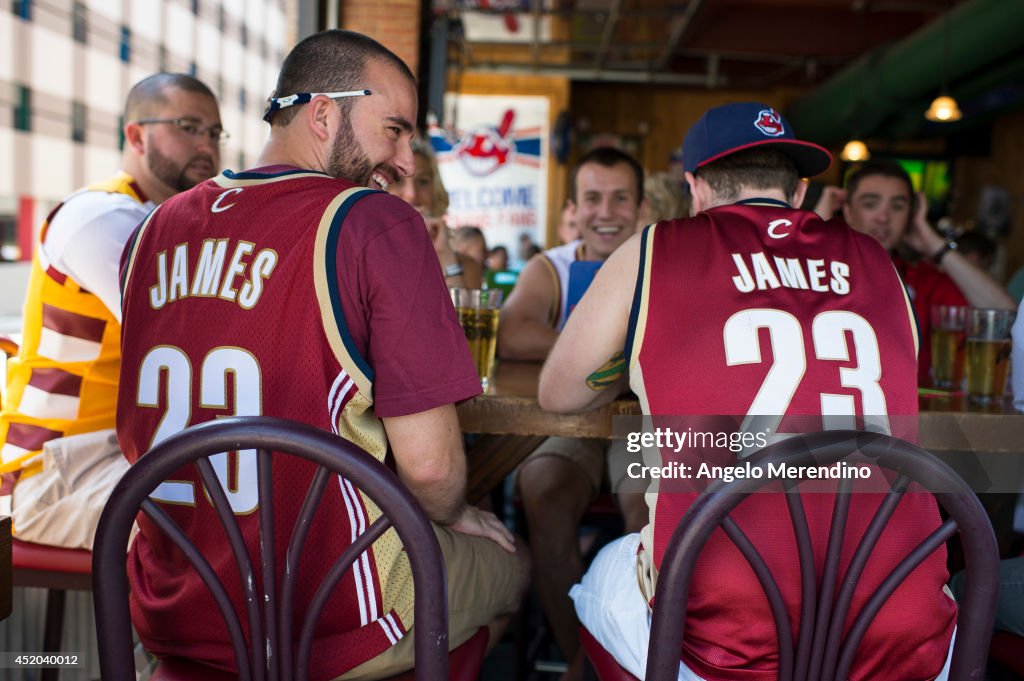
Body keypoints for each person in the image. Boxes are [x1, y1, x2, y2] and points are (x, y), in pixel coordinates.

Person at [116, 30, 527, 680]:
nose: (406, 162)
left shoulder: (151, 230)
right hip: (329, 613)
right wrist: (460, 511)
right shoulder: (373, 221)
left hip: (171, 600)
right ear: (324, 111)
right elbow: (431, 469)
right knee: (511, 563)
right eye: (394, 131)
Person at [540, 102, 956, 680]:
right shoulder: (880, 262)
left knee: (598, 579)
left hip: (722, 638)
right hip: (900, 627)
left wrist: (636, 359)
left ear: (695, 188)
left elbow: (558, 394)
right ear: (802, 191)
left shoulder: (657, 246)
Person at [0, 73, 222, 549]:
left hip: (121, 455)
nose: (205, 144)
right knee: (227, 525)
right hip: (54, 473)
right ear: (136, 135)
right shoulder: (100, 216)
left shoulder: (169, 223)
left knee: (259, 502)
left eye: (213, 131)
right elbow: (203, 336)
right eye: (188, 126)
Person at [498, 146, 648, 680]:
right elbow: (513, 332)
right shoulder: (554, 266)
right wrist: (601, 349)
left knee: (648, 515)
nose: (605, 210)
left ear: (641, 205)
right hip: (570, 422)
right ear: (574, 207)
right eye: (592, 198)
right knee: (542, 488)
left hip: (643, 423)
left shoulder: (665, 257)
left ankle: (627, 660)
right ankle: (578, 657)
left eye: (619, 198)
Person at [815, 160, 1015, 385]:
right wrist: (815, 225)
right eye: (870, 204)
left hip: (911, 414)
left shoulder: (921, 280)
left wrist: (934, 244)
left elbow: (1006, 316)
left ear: (910, 216)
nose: (884, 217)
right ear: (848, 212)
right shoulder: (817, 274)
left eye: (898, 207)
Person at [386, 140, 483, 289]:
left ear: (435, 191)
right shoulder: (362, 262)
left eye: (423, 182)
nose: (412, 194)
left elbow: (459, 313)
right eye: (398, 180)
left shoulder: (466, 267)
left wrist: (445, 256)